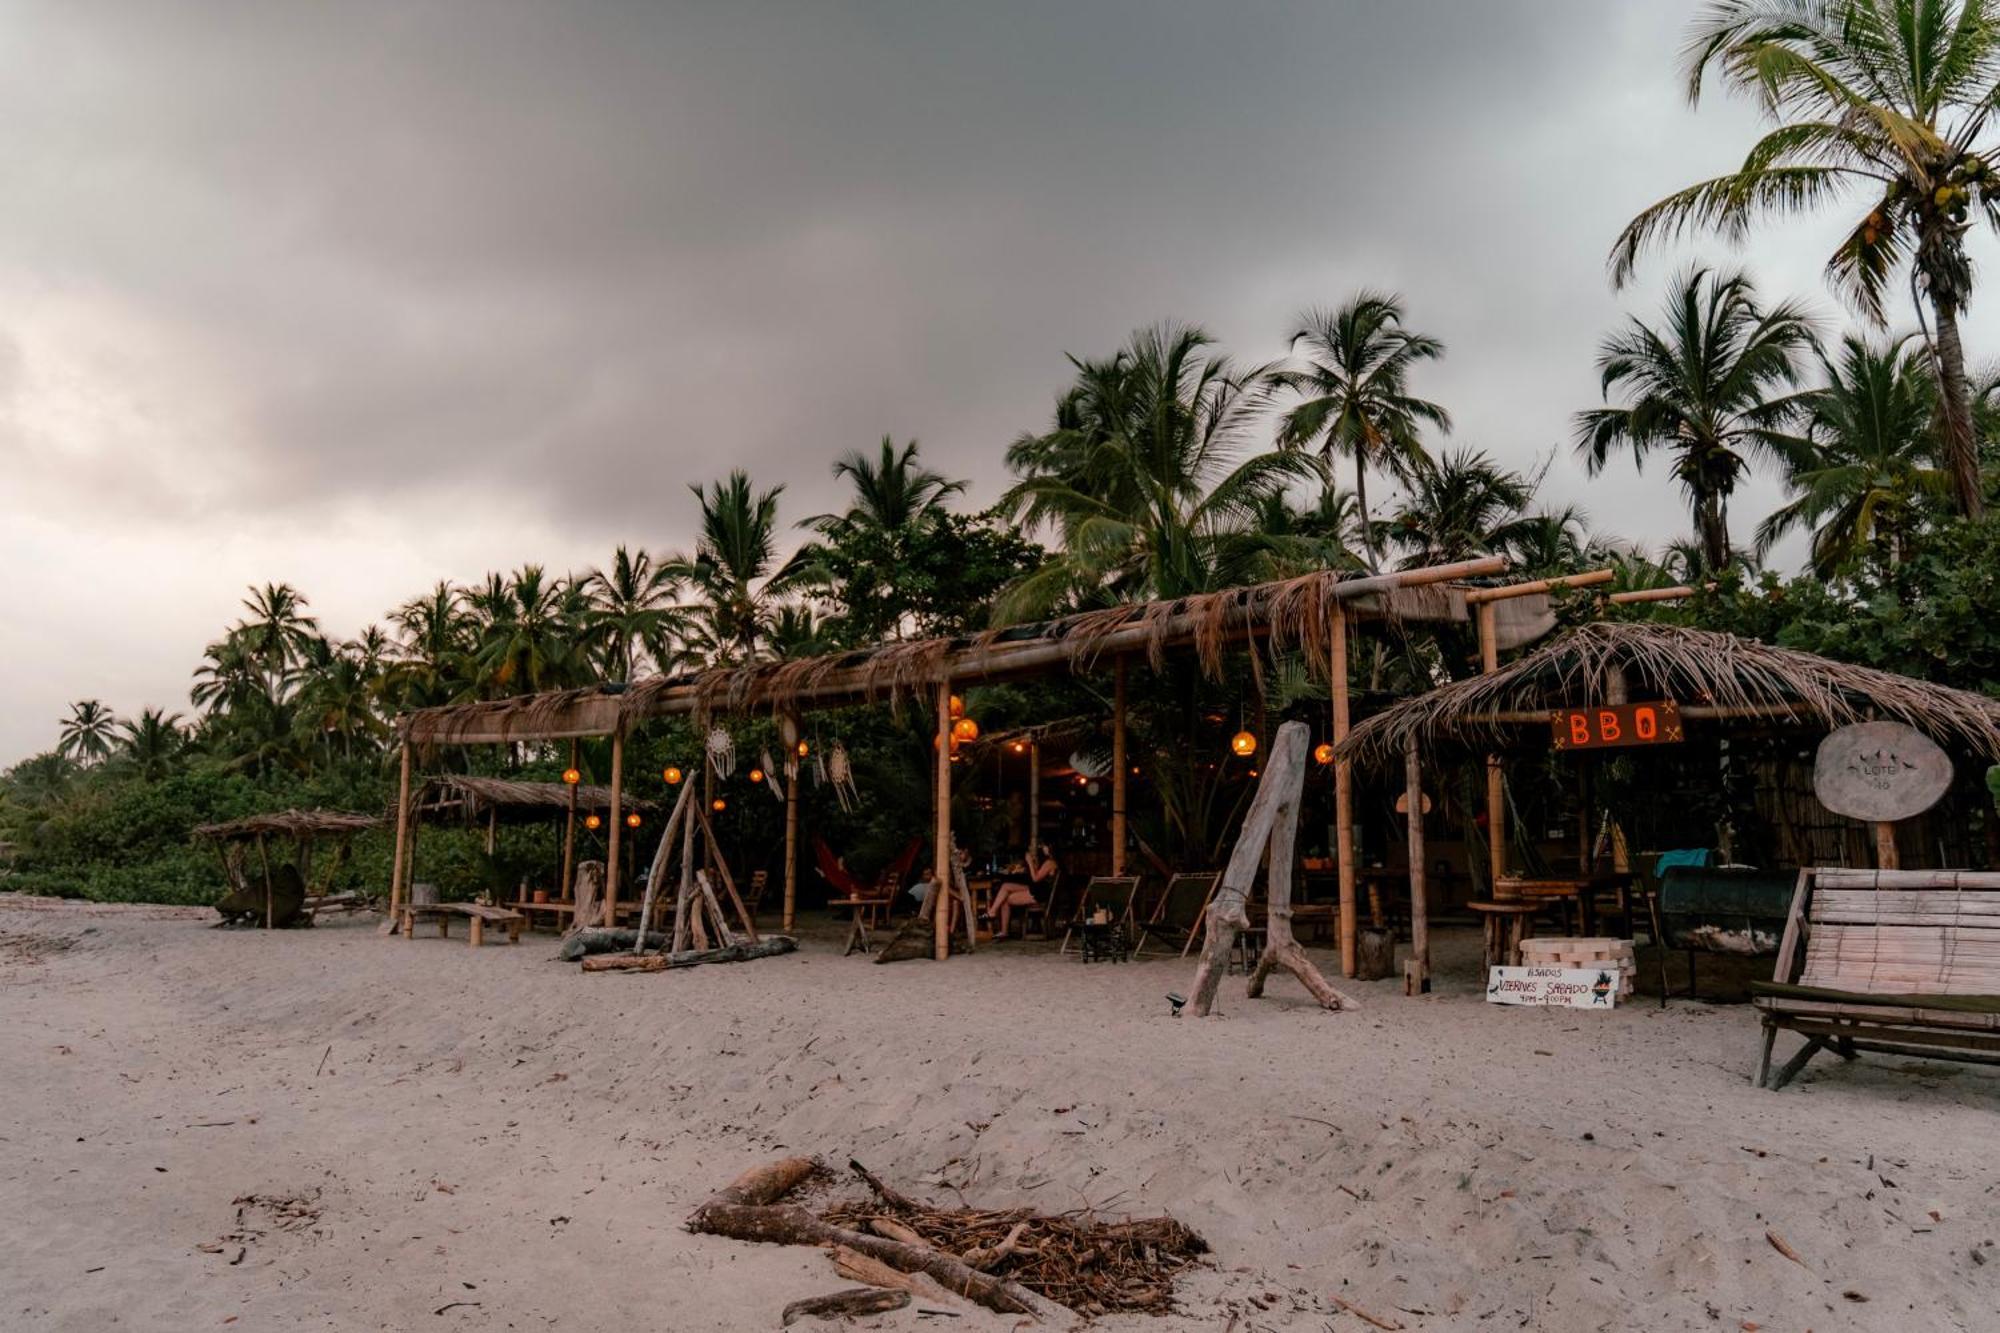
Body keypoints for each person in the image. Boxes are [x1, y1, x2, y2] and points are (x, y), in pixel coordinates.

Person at [985, 843, 1058, 938]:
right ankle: (992, 912)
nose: (1042, 847)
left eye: (1045, 846)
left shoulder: (1050, 863)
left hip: (1039, 893)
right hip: (1037, 888)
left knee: (1005, 899)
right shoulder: (1048, 861)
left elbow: (1035, 879)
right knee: (1005, 886)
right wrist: (1033, 863)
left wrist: (1030, 863)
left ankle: (1003, 930)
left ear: (1050, 848)